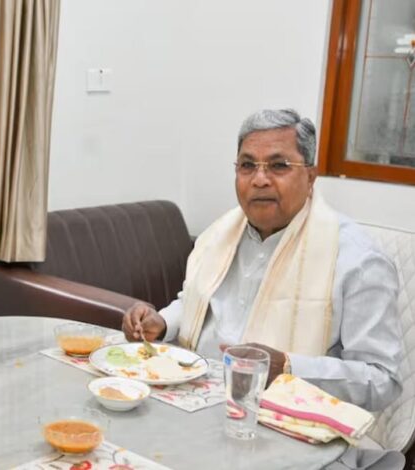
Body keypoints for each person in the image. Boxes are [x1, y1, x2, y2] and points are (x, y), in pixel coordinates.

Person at [122, 109, 402, 411]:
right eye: (247, 165)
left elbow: (382, 379)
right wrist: (163, 322)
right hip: (190, 396)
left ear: (310, 177)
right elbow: (198, 302)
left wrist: (289, 369)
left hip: (284, 419)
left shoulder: (357, 261)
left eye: (278, 166)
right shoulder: (219, 236)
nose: (259, 180)